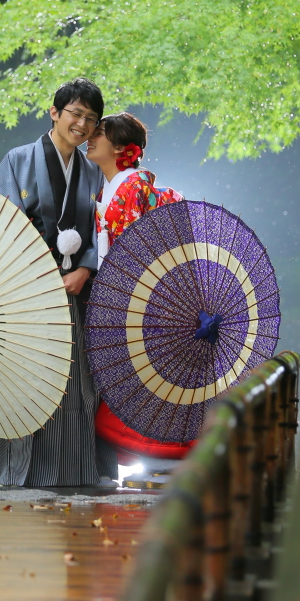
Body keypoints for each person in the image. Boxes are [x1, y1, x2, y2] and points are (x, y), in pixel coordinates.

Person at [0, 78, 118, 488]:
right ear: (54, 112)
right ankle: (24, 474)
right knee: (30, 381)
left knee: (76, 383)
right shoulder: (18, 161)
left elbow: (104, 229)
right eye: (75, 113)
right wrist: (40, 275)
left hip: (77, 293)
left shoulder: (91, 171)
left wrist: (86, 268)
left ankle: (76, 472)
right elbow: (0, 223)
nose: (81, 124)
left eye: (90, 118)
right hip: (29, 294)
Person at [85, 112, 193, 464]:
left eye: (99, 132)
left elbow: (136, 252)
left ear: (119, 147)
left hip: (136, 300)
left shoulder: (133, 187)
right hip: (119, 296)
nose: (90, 137)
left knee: (139, 389)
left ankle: (157, 464)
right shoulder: (112, 187)